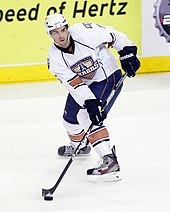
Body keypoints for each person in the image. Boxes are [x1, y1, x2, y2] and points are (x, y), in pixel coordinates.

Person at [45, 13, 140, 181]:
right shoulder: (54, 59)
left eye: (63, 30)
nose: (61, 36)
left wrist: (128, 53)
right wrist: (90, 101)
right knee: (70, 121)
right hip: (86, 84)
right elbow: (74, 84)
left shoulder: (84, 32)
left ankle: (109, 159)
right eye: (55, 32)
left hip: (108, 77)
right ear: (50, 35)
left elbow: (114, 35)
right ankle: (80, 145)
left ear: (68, 28)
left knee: (85, 116)